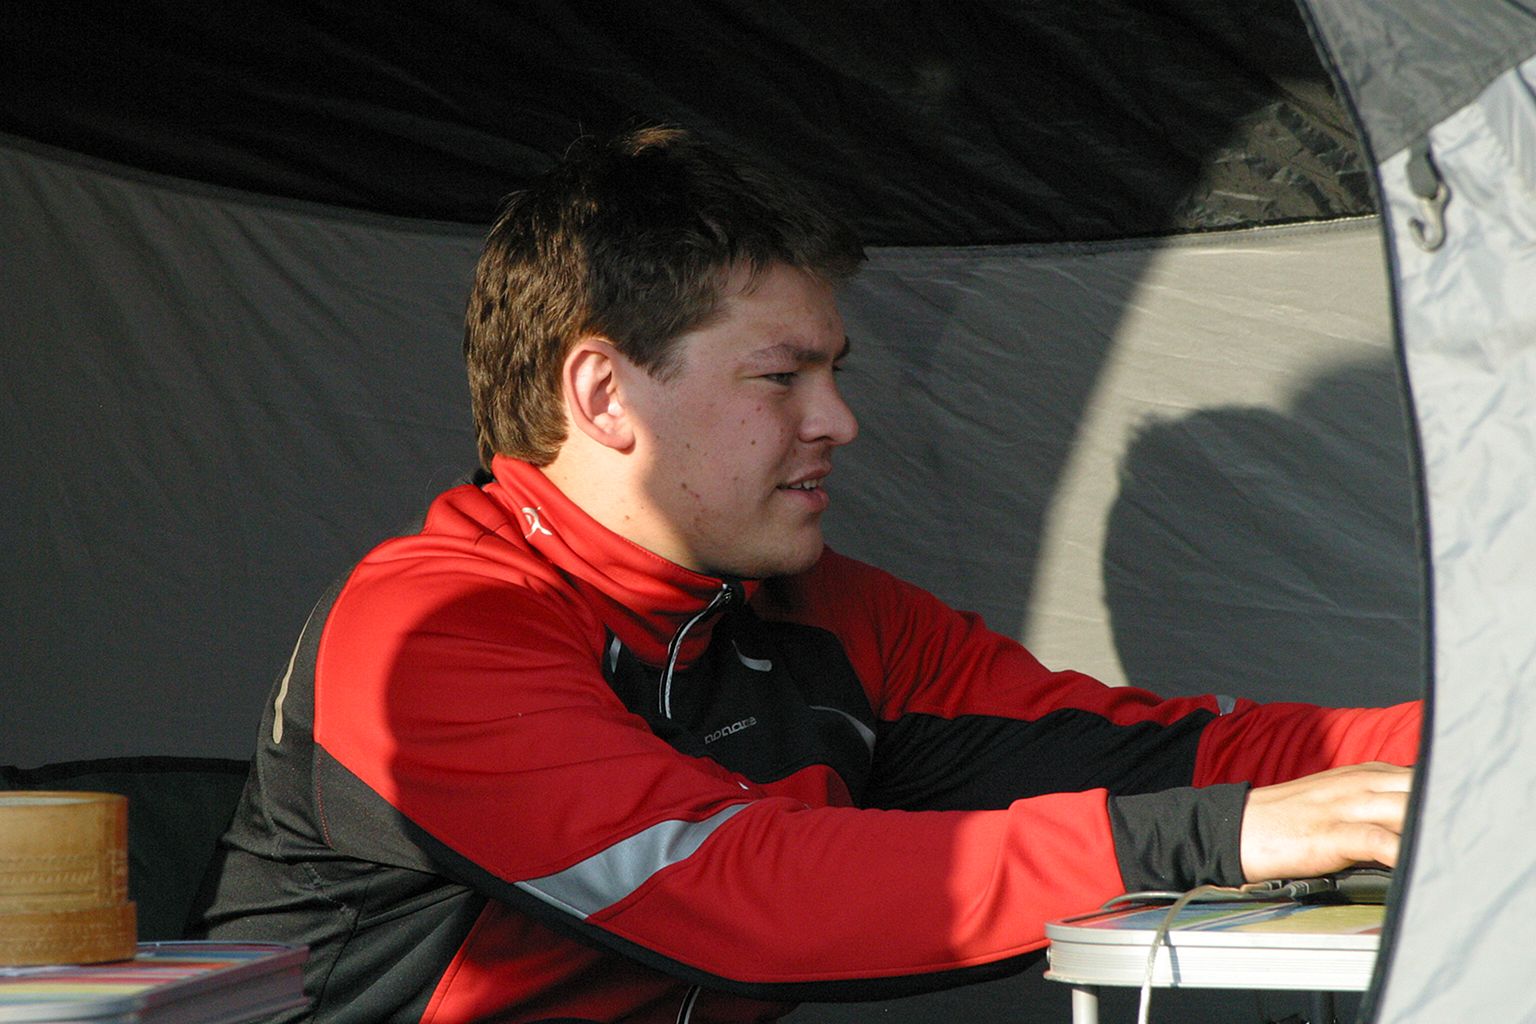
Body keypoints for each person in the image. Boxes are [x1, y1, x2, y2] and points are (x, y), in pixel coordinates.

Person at [190, 125, 1417, 1024]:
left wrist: (1468, 756)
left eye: (835, 373)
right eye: (782, 378)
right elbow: (736, 890)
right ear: (605, 395)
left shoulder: (831, 614)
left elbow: (1168, 752)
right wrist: (1222, 834)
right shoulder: (428, 631)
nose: (838, 420)